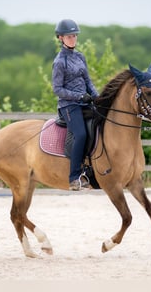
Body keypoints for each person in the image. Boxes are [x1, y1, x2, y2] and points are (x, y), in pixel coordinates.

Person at [52, 19, 99, 191]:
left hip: (85, 102)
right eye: (68, 36)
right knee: (80, 134)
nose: (72, 39)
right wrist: (79, 96)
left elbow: (88, 81)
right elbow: (57, 89)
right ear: (60, 38)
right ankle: (74, 177)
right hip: (68, 106)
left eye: (74, 36)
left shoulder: (80, 57)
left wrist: (98, 98)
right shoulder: (59, 62)